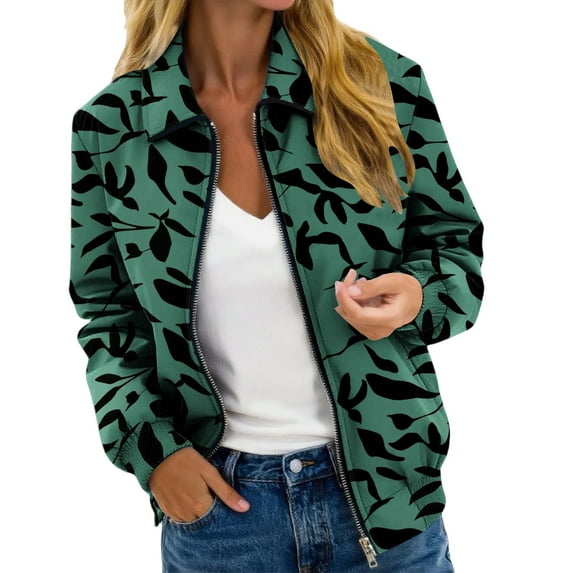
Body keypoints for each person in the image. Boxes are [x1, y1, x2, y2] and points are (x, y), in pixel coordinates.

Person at [69, 0, 483, 571]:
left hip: (386, 500)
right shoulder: (115, 126)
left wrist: (417, 296)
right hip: (221, 518)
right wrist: (154, 452)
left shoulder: (380, 85)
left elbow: (454, 247)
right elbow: (110, 314)